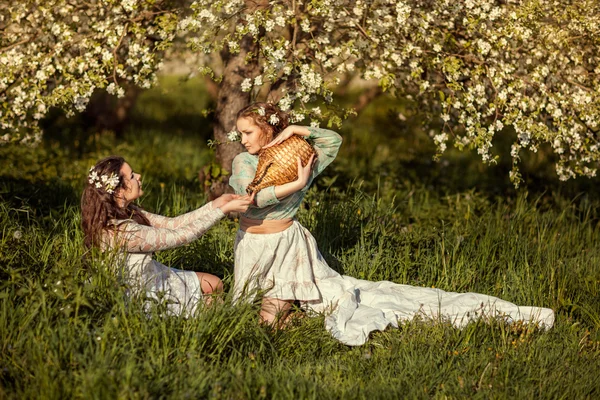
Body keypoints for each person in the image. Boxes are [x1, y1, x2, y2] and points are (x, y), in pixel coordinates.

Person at [229, 102, 554, 346]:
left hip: (286, 246)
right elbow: (252, 198)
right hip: (252, 245)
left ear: (268, 128)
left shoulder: (300, 156)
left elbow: (332, 140)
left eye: (248, 132)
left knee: (267, 322)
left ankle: (286, 315)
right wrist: (296, 185)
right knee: (244, 309)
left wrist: (293, 131)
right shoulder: (245, 162)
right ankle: (289, 316)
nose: (242, 139)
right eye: (240, 132)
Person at [81, 155, 252, 316]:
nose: (139, 176)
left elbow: (173, 224)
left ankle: (210, 315)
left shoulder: (126, 211)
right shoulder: (123, 233)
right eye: (132, 176)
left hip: (150, 272)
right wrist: (223, 211)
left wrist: (214, 205)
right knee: (212, 299)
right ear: (119, 191)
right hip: (140, 292)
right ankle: (209, 327)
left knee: (216, 284)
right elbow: (182, 236)